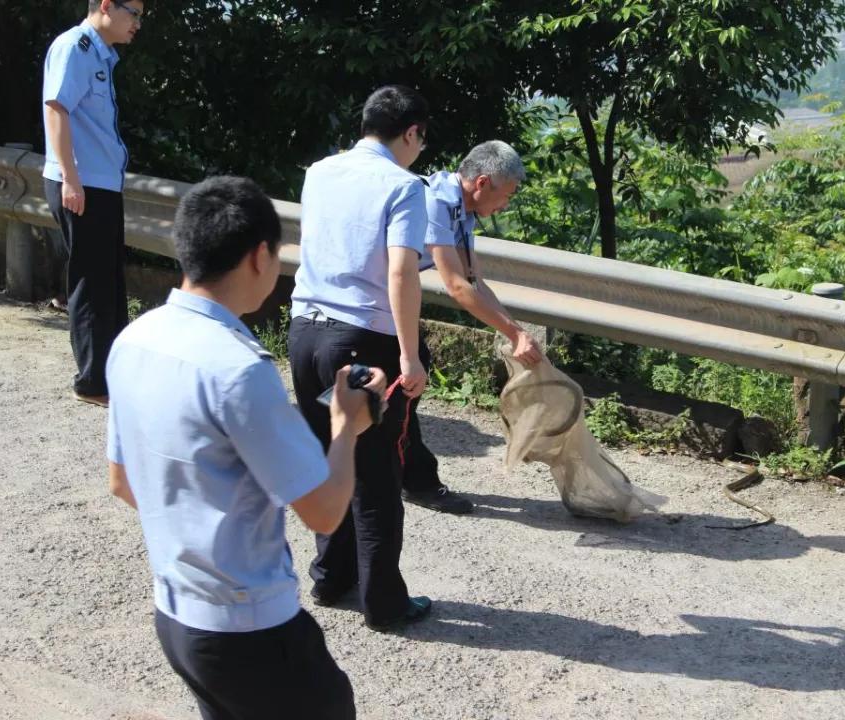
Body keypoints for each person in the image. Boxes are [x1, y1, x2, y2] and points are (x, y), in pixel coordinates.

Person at [107, 176, 385, 720]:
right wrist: (347, 425)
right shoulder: (237, 369)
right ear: (260, 255)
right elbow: (325, 512)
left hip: (177, 616)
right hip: (252, 629)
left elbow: (122, 482)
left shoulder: (135, 338)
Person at [287, 85, 433, 631]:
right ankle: (384, 603)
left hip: (304, 332)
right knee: (377, 473)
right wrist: (410, 355)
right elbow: (401, 272)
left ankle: (330, 576)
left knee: (329, 454)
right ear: (412, 132)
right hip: (362, 340)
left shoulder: (319, 172)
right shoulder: (404, 186)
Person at [401, 141, 544, 514]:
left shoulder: (460, 210)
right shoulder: (435, 202)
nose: (506, 205)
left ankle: (393, 474)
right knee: (402, 391)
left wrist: (515, 329)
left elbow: (474, 280)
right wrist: (514, 334)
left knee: (404, 389)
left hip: (391, 302)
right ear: (482, 183)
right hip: (369, 302)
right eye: (506, 195)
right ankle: (417, 483)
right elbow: (456, 287)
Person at [42, 0, 143, 406]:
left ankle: (111, 374)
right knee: (90, 281)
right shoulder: (75, 47)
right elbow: (56, 109)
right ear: (106, 6)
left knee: (109, 281)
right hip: (80, 182)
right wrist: (70, 177)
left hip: (100, 184)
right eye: (133, 12)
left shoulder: (100, 53)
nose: (138, 22)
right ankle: (91, 382)